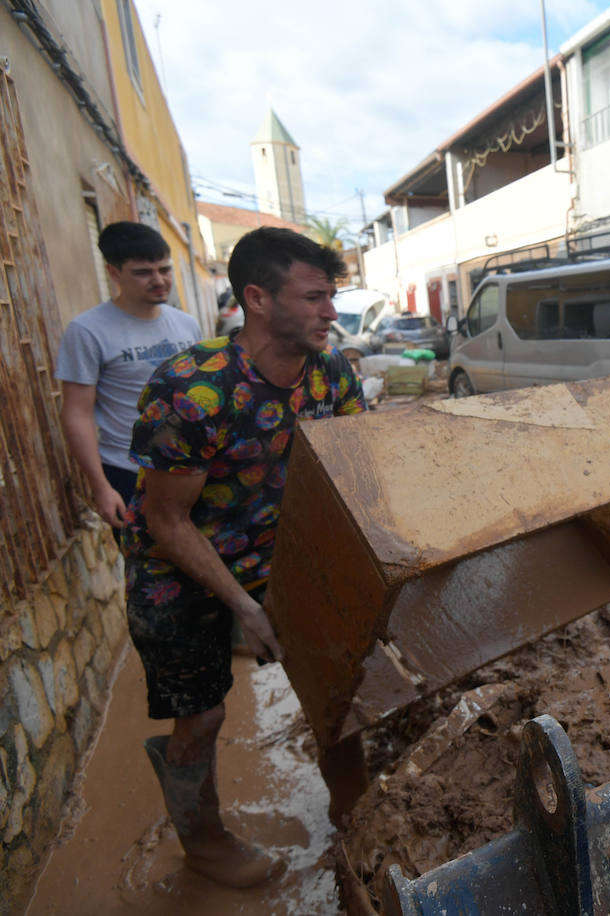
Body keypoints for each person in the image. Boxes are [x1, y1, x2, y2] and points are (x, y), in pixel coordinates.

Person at [122, 227, 365, 887]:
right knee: (201, 715)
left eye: (332, 297)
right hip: (180, 569)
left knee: (340, 681)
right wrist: (243, 607)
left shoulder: (332, 373)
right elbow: (165, 520)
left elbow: (353, 474)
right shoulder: (192, 388)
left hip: (280, 553)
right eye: (315, 298)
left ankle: (358, 812)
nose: (331, 313)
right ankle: (204, 845)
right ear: (258, 298)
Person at [56, 222, 202, 529]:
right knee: (147, 569)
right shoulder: (88, 331)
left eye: (164, 269)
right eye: (143, 272)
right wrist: (101, 487)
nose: (159, 280)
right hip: (128, 472)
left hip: (191, 467)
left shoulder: (186, 325)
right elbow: (76, 414)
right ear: (113, 272)